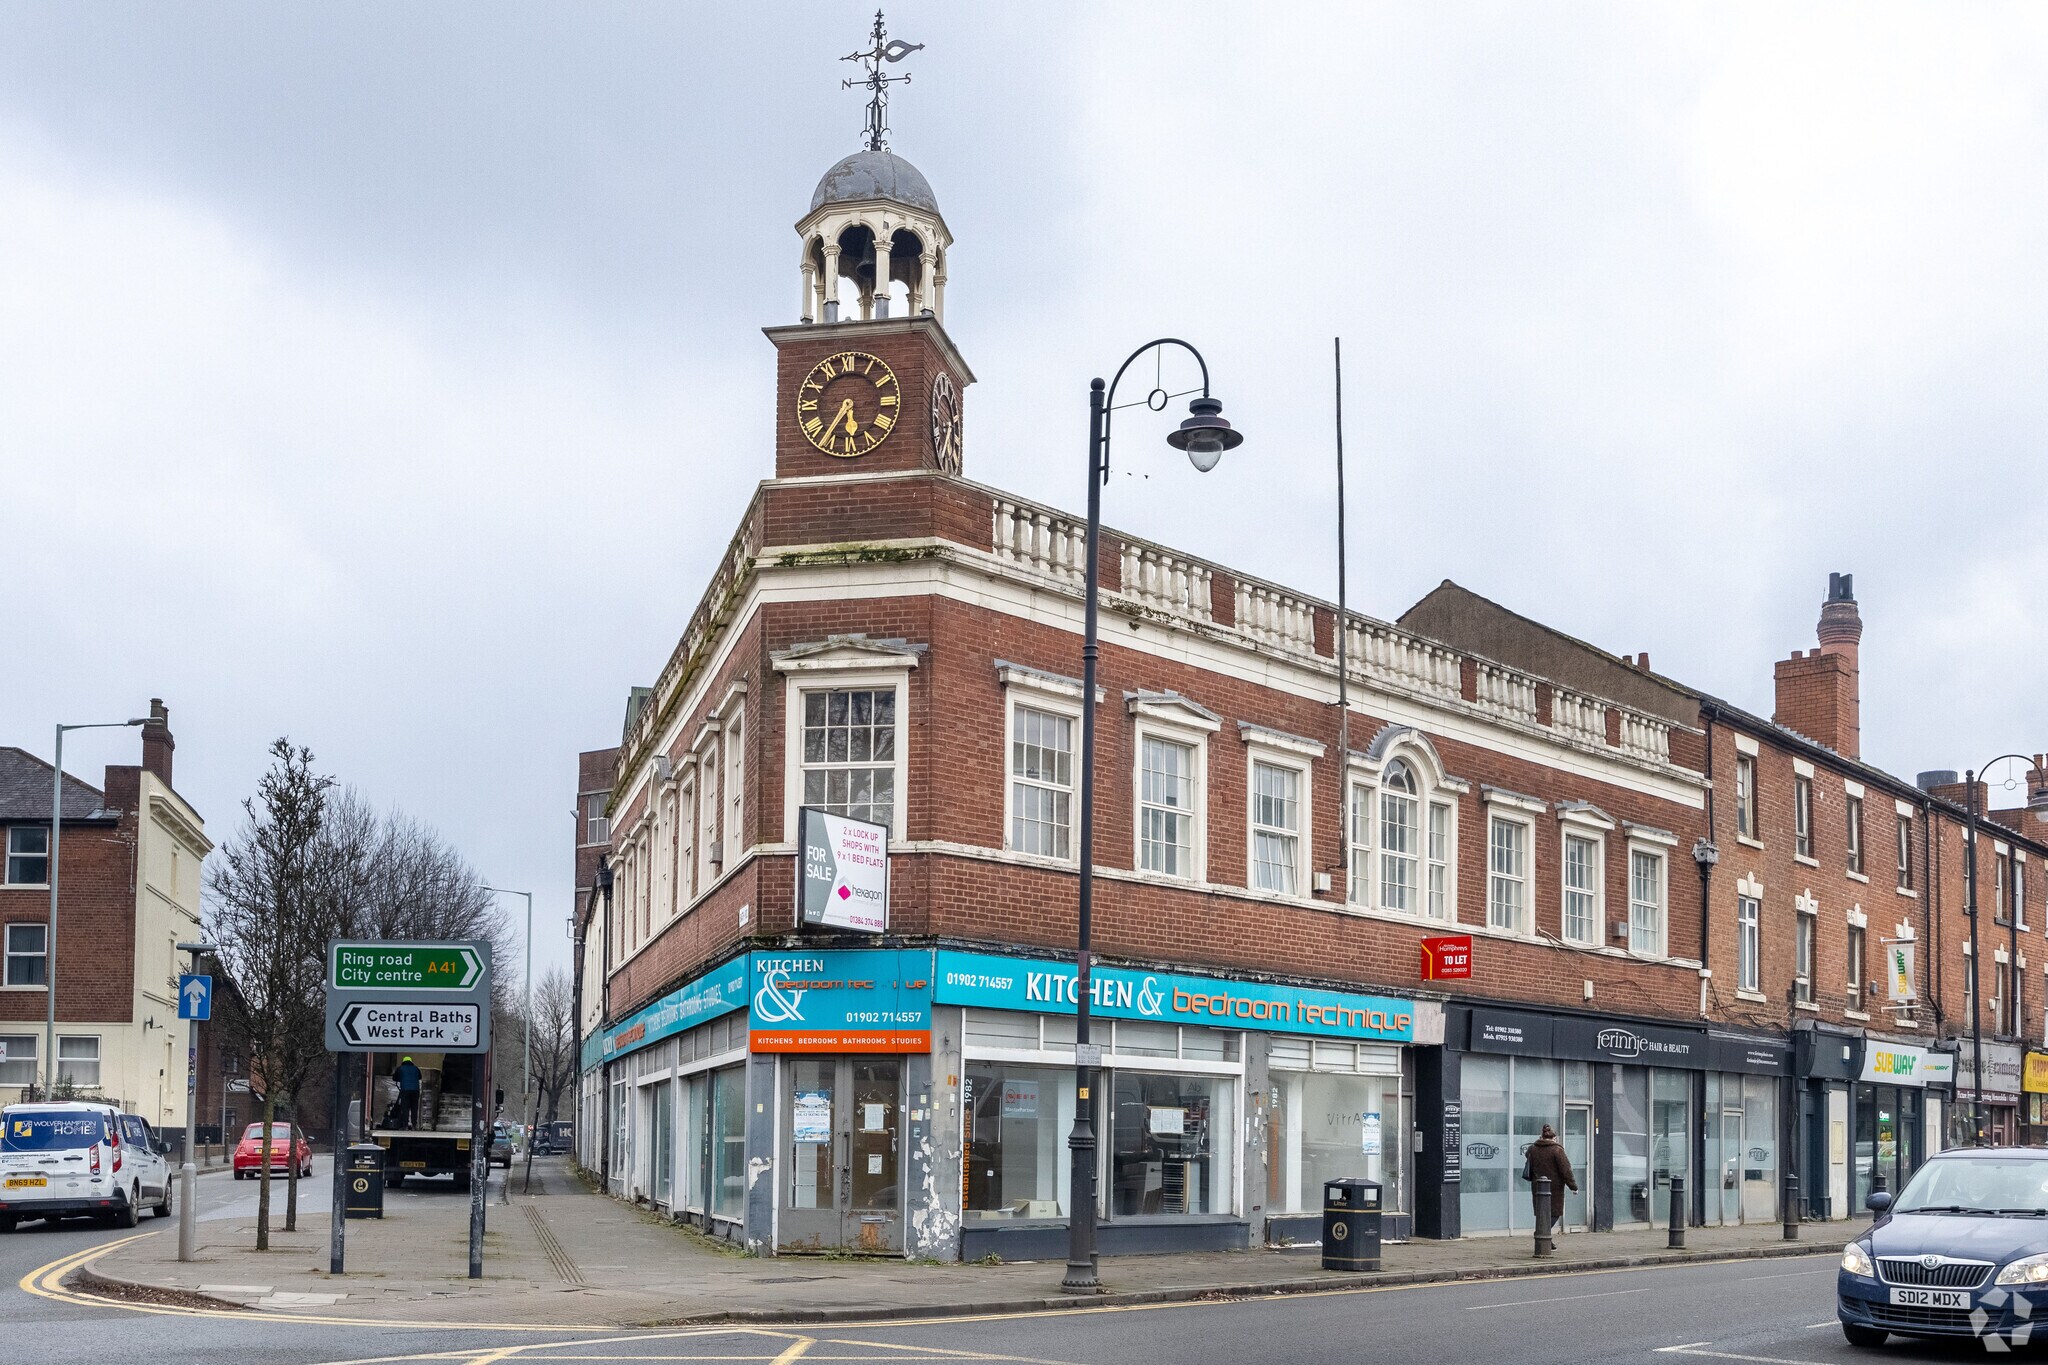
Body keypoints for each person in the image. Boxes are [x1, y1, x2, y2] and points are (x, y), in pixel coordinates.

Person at [1527, 1123, 1577, 1234]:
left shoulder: (1533, 1148)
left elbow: (1527, 1155)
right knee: (1554, 1213)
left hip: (1538, 1185)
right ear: (1554, 1138)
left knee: (1541, 1212)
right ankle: (1542, 1233)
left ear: (1541, 1137)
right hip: (1555, 1187)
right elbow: (1566, 1170)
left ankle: (1545, 1239)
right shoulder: (1557, 1150)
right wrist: (1573, 1186)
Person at [394, 1055, 422, 1130]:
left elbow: (394, 1078)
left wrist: (401, 1078)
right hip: (415, 1091)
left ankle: (405, 1126)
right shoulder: (416, 1068)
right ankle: (414, 1126)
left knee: (405, 1108)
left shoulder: (400, 1068)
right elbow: (420, 1077)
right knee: (414, 1108)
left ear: (403, 1062)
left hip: (405, 1090)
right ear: (411, 1062)